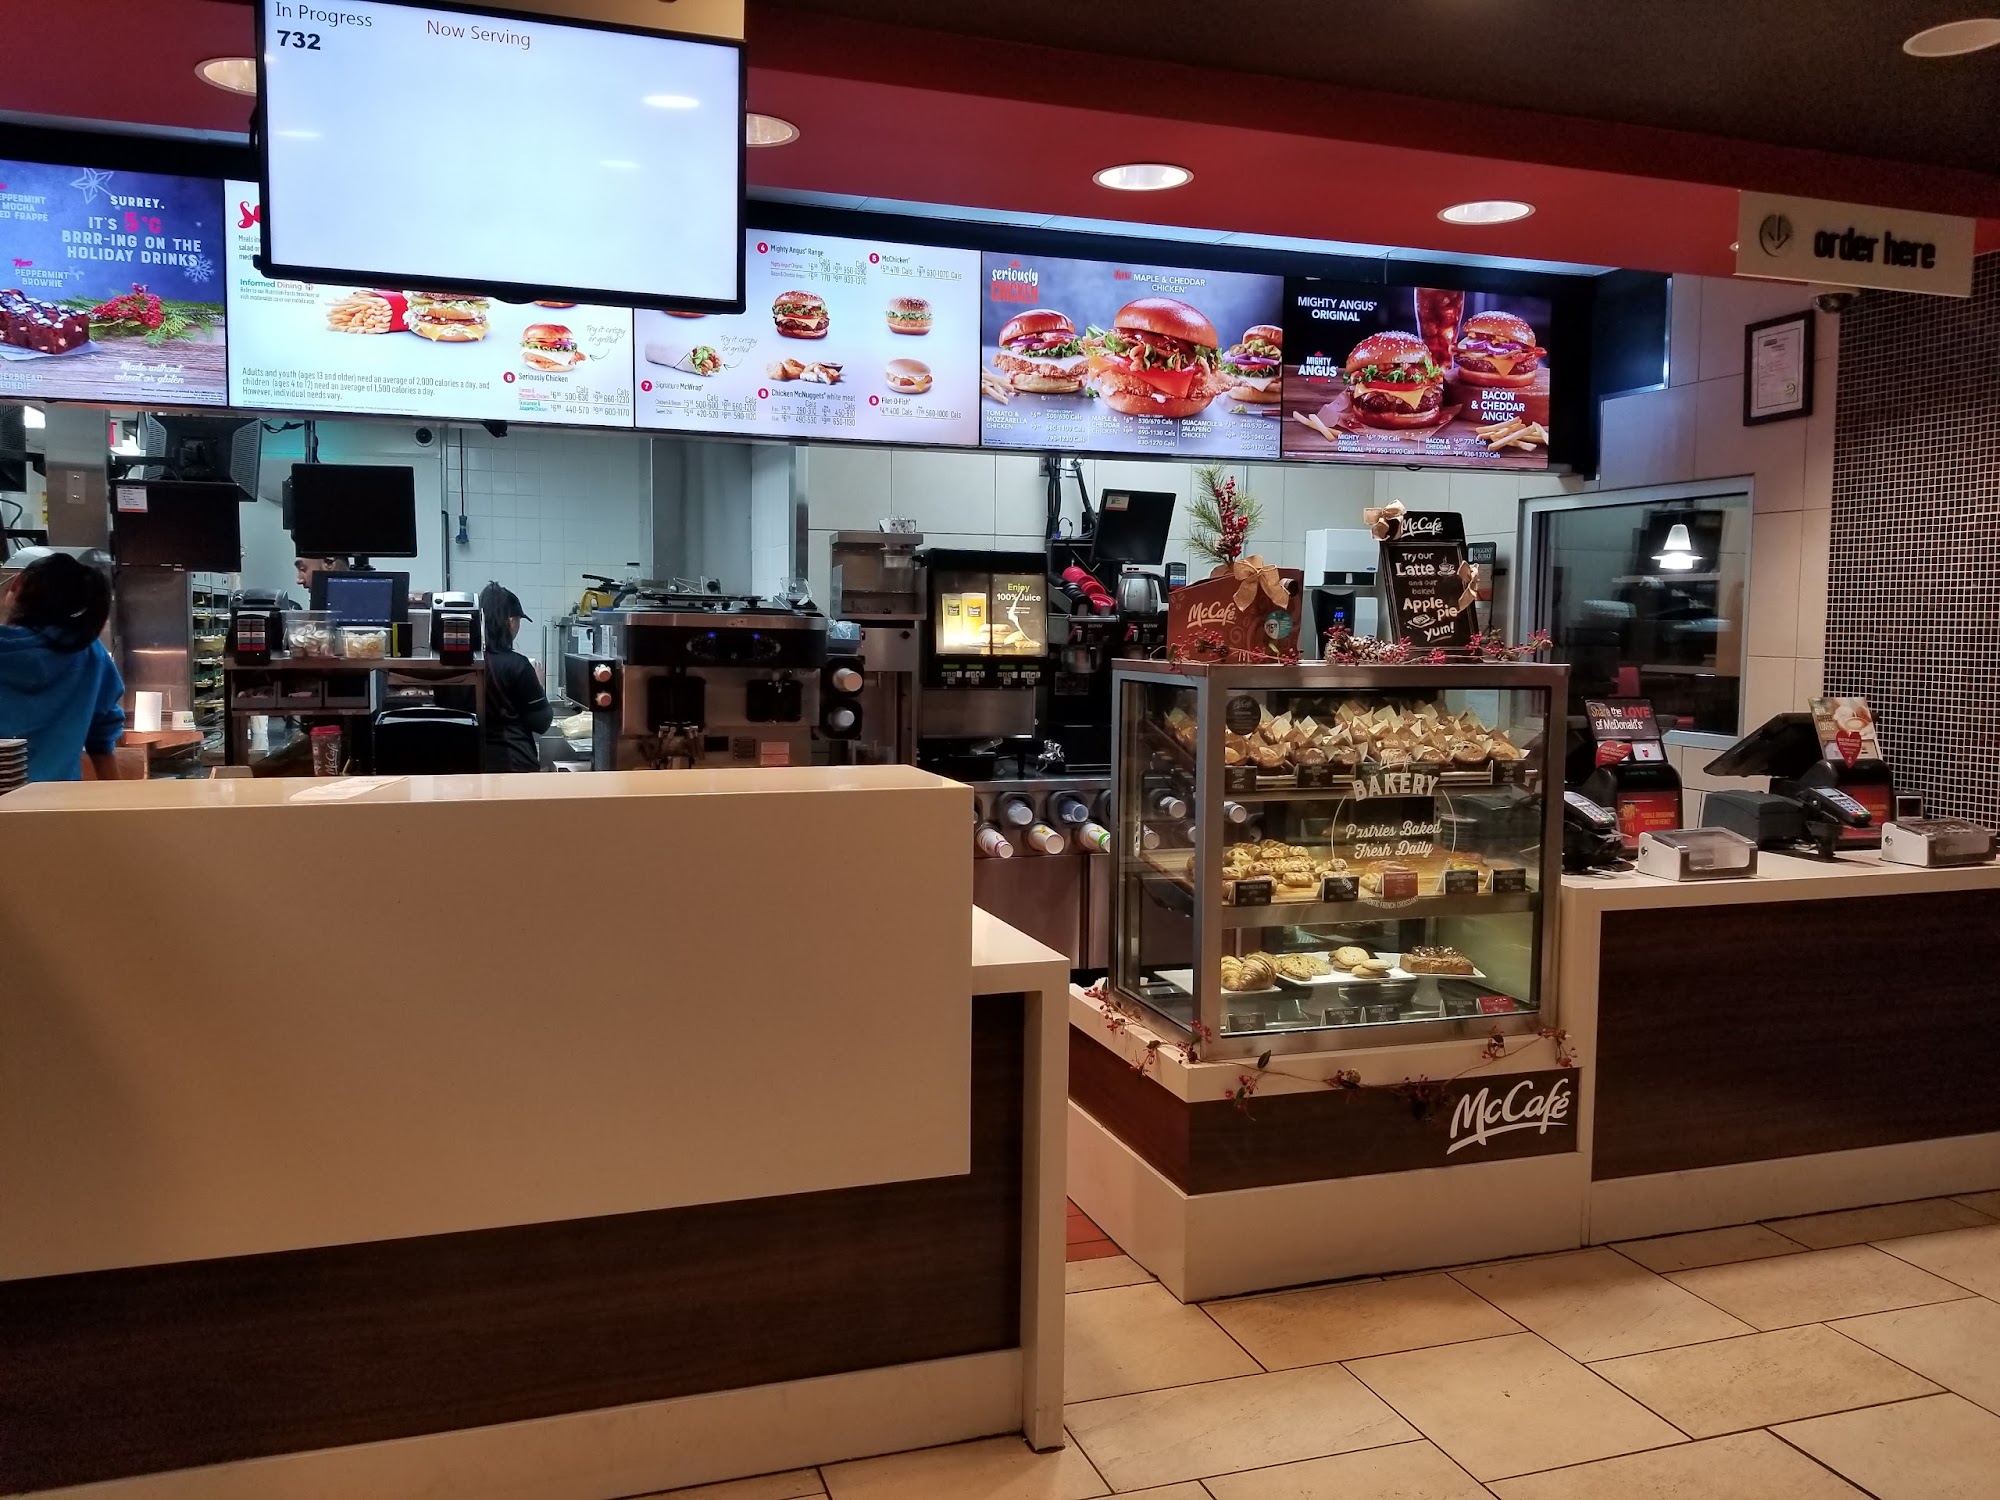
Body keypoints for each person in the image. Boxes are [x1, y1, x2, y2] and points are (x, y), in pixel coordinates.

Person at [0, 552, 125, 782]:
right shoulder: (89, 652)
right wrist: (117, 800)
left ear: (17, 583)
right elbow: (102, 738)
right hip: (59, 800)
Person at [478, 581, 551, 772]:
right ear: (510, 622)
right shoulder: (517, 664)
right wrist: (538, 685)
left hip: (470, 765)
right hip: (513, 763)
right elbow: (541, 722)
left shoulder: (463, 664)